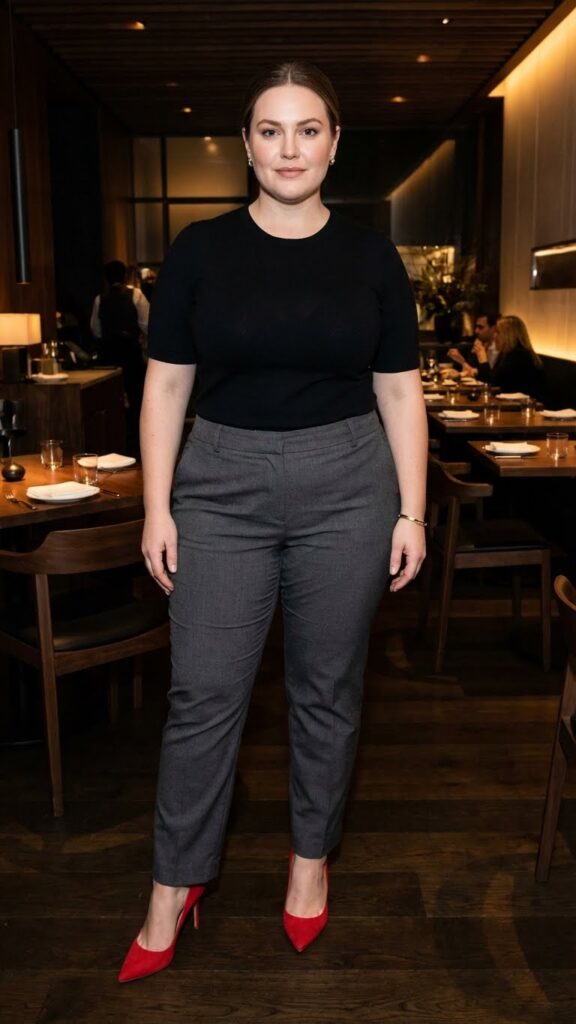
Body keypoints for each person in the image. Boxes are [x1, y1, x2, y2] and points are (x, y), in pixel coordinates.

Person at [119, 60, 428, 983]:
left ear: (334, 144)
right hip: (220, 484)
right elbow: (164, 388)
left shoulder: (372, 257)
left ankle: (308, 864)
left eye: (307, 129)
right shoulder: (199, 250)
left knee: (326, 690)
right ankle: (174, 884)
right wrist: (156, 506)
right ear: (246, 145)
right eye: (269, 130)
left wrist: (412, 511)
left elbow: (400, 392)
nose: (289, 149)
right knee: (202, 695)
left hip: (350, 483)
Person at [90, 260, 149, 453]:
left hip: (109, 359)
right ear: (124, 276)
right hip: (131, 356)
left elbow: (96, 330)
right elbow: (147, 323)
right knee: (137, 402)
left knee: (112, 405)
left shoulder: (100, 299)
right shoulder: (136, 295)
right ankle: (136, 446)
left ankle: (116, 446)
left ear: (106, 278)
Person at [456, 314, 544, 398]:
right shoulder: (506, 354)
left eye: (498, 332)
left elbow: (491, 384)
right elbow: (493, 378)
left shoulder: (519, 355)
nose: (494, 336)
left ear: (508, 335)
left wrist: (483, 359)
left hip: (522, 406)